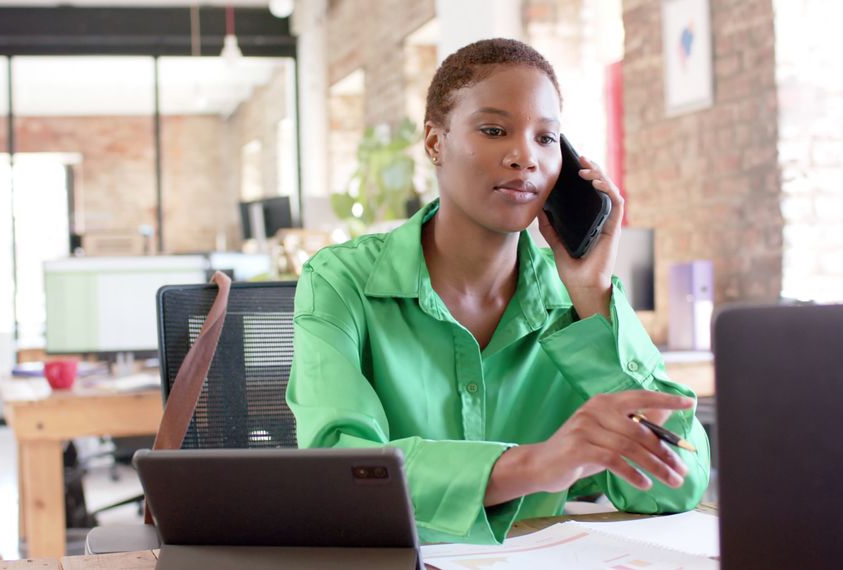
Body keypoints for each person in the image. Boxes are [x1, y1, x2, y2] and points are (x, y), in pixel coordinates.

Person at [286, 38, 710, 545]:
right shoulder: (341, 280)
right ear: (435, 142)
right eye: (494, 130)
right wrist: (535, 465)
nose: (524, 157)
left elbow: (673, 488)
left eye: (547, 138)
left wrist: (594, 294)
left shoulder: (576, 303)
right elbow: (344, 472)